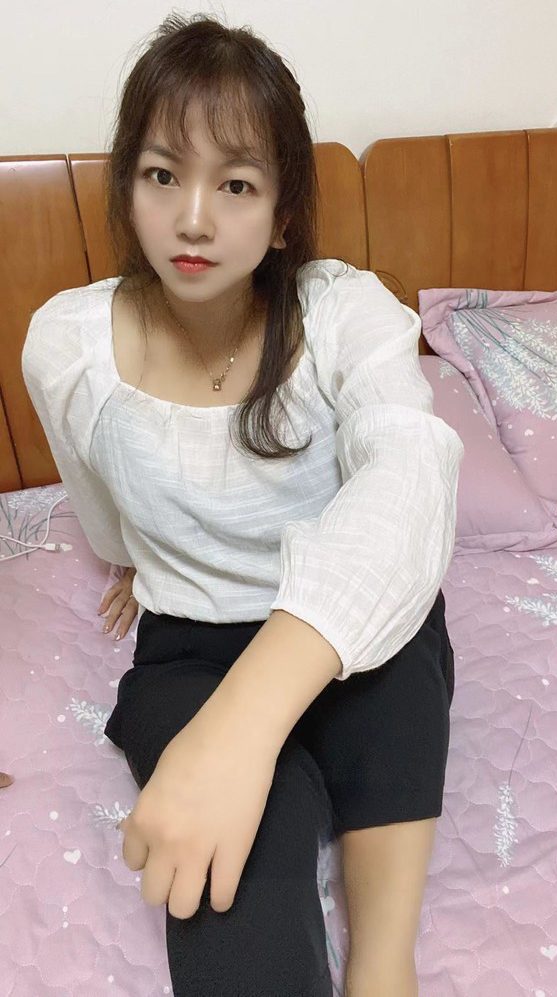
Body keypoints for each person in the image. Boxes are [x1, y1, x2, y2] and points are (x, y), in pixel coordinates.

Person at [21, 12, 464, 997]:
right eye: (161, 174)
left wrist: (250, 717)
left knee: (400, 666)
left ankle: (384, 961)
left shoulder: (347, 312)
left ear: (283, 213)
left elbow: (411, 471)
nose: (192, 219)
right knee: (233, 890)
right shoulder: (67, 344)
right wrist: (131, 559)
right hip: (189, 646)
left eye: (236, 184)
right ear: (126, 186)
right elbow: (96, 498)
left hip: (345, 630)